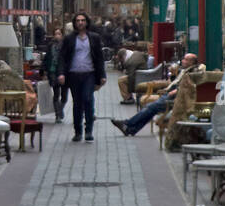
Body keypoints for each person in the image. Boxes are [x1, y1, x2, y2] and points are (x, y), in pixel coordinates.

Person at [111, 53, 199, 136]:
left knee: (150, 107)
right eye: (184, 59)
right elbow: (175, 81)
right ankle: (130, 129)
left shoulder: (193, 73)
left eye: (186, 60)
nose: (183, 60)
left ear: (192, 62)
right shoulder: (184, 70)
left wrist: (176, 91)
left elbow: (189, 87)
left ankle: (127, 124)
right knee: (150, 108)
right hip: (169, 93)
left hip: (175, 97)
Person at [58, 11, 106, 142]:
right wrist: (61, 73)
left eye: (83, 20)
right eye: (78, 21)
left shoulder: (94, 38)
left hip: (89, 74)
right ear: (75, 23)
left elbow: (99, 58)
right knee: (77, 103)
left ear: (86, 22)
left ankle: (89, 130)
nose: (80, 23)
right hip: (74, 74)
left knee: (88, 99)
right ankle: (78, 131)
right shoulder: (69, 39)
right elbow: (62, 57)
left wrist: (102, 75)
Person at [42, 27, 67, 122]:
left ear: (62, 35)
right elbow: (47, 57)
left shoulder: (65, 45)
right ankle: (57, 115)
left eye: (59, 33)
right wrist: (44, 70)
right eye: (56, 34)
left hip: (64, 73)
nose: (57, 35)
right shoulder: (50, 45)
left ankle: (60, 109)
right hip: (53, 71)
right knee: (56, 94)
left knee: (64, 96)